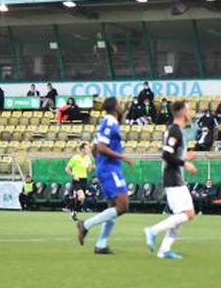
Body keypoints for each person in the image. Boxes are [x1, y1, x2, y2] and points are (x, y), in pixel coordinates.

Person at [76, 97, 135, 254]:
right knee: (123, 206)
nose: (121, 107)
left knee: (113, 207)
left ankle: (101, 245)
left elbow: (95, 147)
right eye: (119, 104)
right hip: (110, 169)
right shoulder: (109, 122)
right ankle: (85, 225)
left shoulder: (109, 123)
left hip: (107, 168)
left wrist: (100, 164)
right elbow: (101, 147)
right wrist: (122, 157)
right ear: (115, 107)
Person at [142, 100, 197, 259]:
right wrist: (185, 163)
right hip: (173, 177)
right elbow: (166, 155)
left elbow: (172, 154)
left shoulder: (176, 131)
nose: (190, 112)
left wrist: (185, 157)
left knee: (180, 216)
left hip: (174, 176)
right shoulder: (175, 131)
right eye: (188, 109)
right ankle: (152, 230)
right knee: (188, 213)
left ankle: (164, 250)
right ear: (182, 112)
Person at [65, 142, 93, 220]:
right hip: (76, 180)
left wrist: (90, 167)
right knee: (81, 196)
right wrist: (73, 175)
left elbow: (89, 170)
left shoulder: (88, 158)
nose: (88, 150)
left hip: (84, 180)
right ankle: (72, 211)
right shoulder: (75, 158)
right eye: (87, 148)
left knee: (81, 199)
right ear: (82, 149)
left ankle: (73, 212)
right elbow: (67, 169)